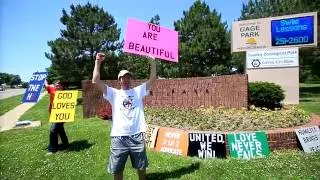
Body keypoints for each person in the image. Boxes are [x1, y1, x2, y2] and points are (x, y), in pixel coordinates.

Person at [92, 52, 156, 180]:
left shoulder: (138, 91)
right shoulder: (113, 93)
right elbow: (95, 81)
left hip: (136, 135)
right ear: (119, 80)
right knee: (117, 169)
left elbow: (152, 79)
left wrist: (152, 62)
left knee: (141, 166)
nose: (126, 80)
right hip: (119, 137)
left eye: (128, 77)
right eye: (123, 77)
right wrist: (97, 62)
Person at [44, 80, 69, 154]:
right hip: (53, 114)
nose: (57, 87)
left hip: (61, 115)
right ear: (54, 86)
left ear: (62, 86)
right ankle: (65, 144)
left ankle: (52, 149)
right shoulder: (51, 89)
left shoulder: (66, 95)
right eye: (56, 85)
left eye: (59, 85)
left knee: (53, 130)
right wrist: (43, 78)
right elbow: (46, 85)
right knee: (60, 129)